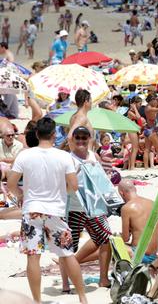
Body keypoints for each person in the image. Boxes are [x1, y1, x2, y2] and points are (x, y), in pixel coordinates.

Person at [6, 117, 88, 304]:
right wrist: (60, 192)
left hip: (32, 209)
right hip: (55, 210)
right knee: (67, 254)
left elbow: (11, 184)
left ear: (36, 134)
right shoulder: (64, 156)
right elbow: (74, 186)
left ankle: (36, 300)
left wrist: (21, 194)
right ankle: (83, 298)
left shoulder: (25, 155)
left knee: (33, 257)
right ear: (53, 135)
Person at [60, 126, 113, 290]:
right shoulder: (68, 159)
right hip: (74, 208)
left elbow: (101, 179)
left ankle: (103, 279)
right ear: (72, 140)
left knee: (106, 239)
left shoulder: (93, 156)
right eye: (78, 138)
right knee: (68, 246)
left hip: (95, 207)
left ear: (89, 139)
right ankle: (65, 283)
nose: (81, 140)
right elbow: (63, 185)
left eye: (85, 137)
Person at [118, 180, 158, 263]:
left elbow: (125, 238)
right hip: (153, 255)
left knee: (112, 243)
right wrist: (150, 230)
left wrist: (118, 236)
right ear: (135, 189)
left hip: (138, 255)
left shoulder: (126, 208)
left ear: (121, 193)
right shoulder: (152, 203)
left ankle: (105, 275)